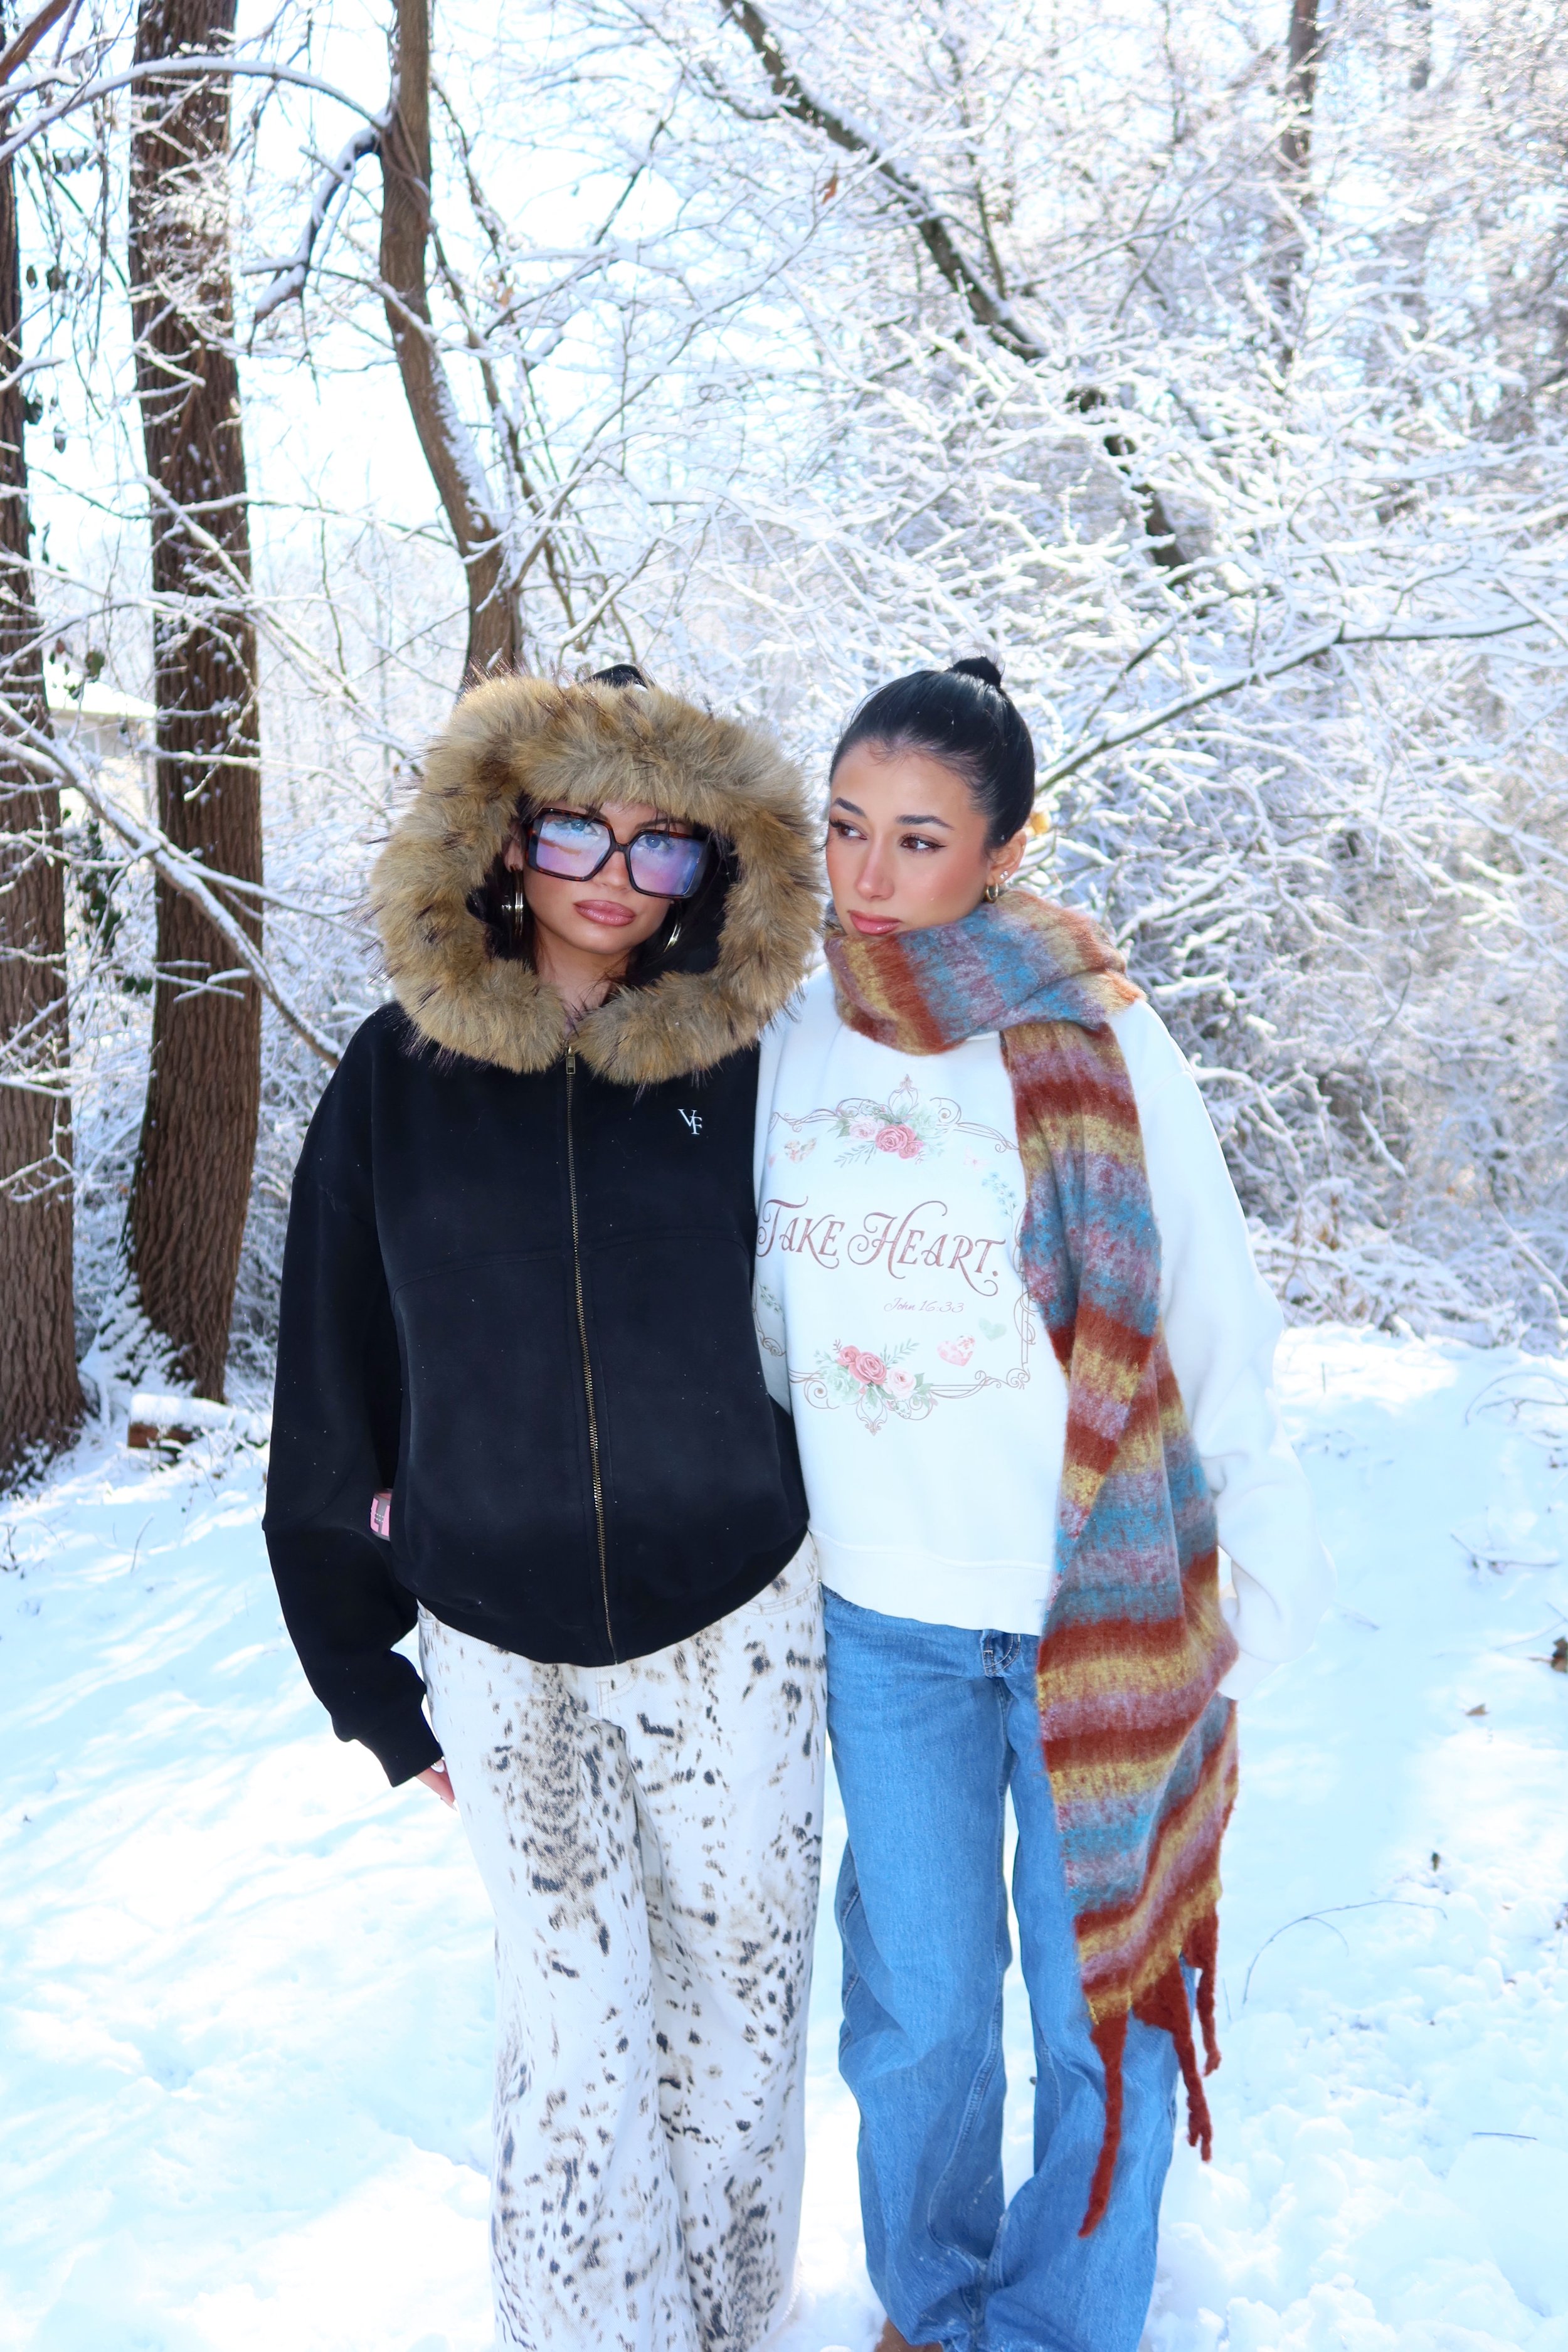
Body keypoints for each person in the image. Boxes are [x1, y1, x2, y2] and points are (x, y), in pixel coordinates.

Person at [753, 657, 1334, 2352]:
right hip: (888, 1606)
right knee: (920, 2010)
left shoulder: (1095, 1028)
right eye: (843, 826)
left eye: (914, 838)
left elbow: (1205, 1307)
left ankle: (1063, 2322)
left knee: (1098, 2008)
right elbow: (771, 1325)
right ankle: (930, 2310)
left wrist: (1248, 1547)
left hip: (1093, 1594)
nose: (863, 875)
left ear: (1003, 851)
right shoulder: (789, 1028)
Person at [265, 667, 827, 2352]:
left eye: (665, 845)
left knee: (739, 2014)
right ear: (502, 836)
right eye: (579, 822)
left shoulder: (761, 1067)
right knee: (570, 2034)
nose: (613, 870)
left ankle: (734, 2326)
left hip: (740, 1615)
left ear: (711, 875)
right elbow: (330, 1375)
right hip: (500, 1638)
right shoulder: (398, 1076)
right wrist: (364, 1677)